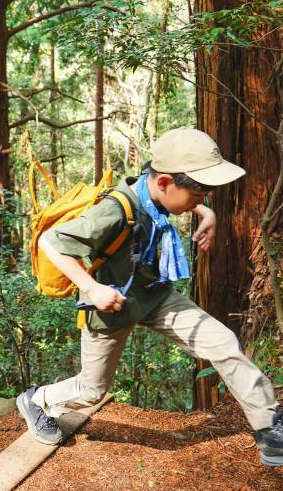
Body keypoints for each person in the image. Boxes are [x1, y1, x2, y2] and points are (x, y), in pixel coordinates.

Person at [17, 127, 283, 467]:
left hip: (154, 296)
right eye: (199, 193)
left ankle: (268, 429)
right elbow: (51, 243)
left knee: (222, 341)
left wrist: (208, 214)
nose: (200, 201)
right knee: (91, 391)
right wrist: (92, 288)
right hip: (110, 307)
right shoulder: (113, 211)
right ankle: (37, 400)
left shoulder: (157, 188)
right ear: (164, 183)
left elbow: (171, 202)